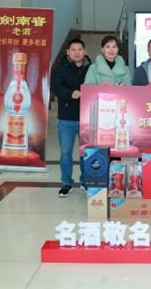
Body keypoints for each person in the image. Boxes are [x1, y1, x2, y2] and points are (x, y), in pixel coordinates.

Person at [50, 38, 90, 197]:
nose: (77, 52)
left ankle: (86, 182)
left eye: (80, 49)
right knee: (66, 153)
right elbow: (56, 87)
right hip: (66, 119)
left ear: (85, 51)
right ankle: (66, 183)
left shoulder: (91, 68)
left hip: (87, 118)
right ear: (68, 52)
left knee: (86, 153)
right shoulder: (60, 68)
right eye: (73, 49)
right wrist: (70, 94)